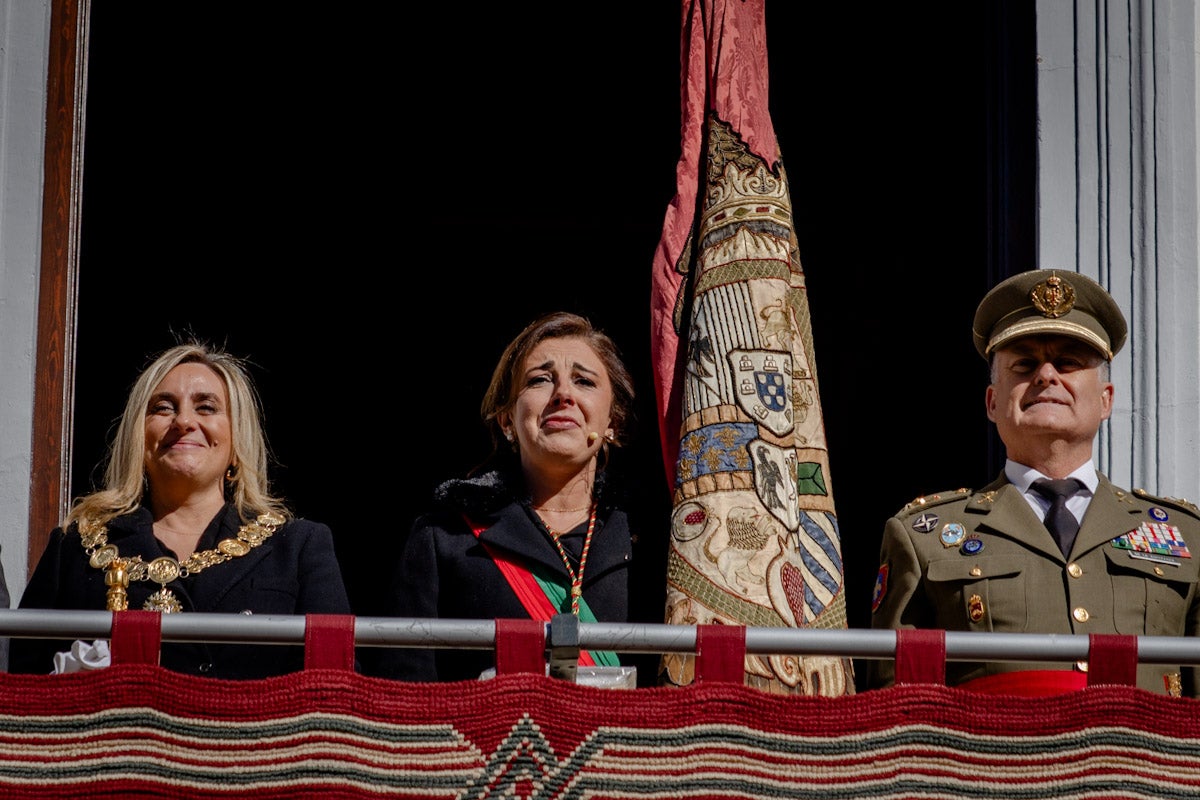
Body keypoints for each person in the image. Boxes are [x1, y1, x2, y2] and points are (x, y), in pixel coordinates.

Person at [869, 269, 1200, 697]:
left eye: (1068, 363)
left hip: (1143, 763)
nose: (1046, 375)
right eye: (1024, 365)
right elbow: (894, 710)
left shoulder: (1186, 536)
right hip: (994, 762)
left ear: (1106, 401)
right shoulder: (922, 538)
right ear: (992, 403)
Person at [10, 341, 354, 678]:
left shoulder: (297, 548)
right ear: (138, 436)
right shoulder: (75, 546)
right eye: (163, 407)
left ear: (237, 440)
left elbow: (338, 685)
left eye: (206, 407)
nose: (183, 421)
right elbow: (21, 691)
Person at [373, 311, 638, 682]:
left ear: (613, 421)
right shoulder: (446, 539)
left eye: (584, 381)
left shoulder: (648, 539)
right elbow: (404, 690)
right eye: (540, 380)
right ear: (507, 422)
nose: (563, 394)